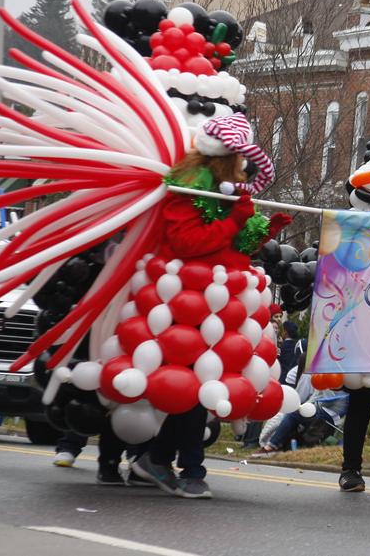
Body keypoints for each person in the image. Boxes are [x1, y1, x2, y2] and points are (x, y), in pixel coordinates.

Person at [131, 114, 288, 499]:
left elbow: (231, 247)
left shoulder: (227, 191)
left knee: (199, 386)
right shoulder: (188, 189)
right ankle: (189, 467)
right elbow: (188, 242)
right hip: (186, 296)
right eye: (241, 159)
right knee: (193, 384)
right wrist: (235, 218)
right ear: (224, 159)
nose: (246, 167)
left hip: (219, 298)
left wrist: (264, 230)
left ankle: (159, 459)